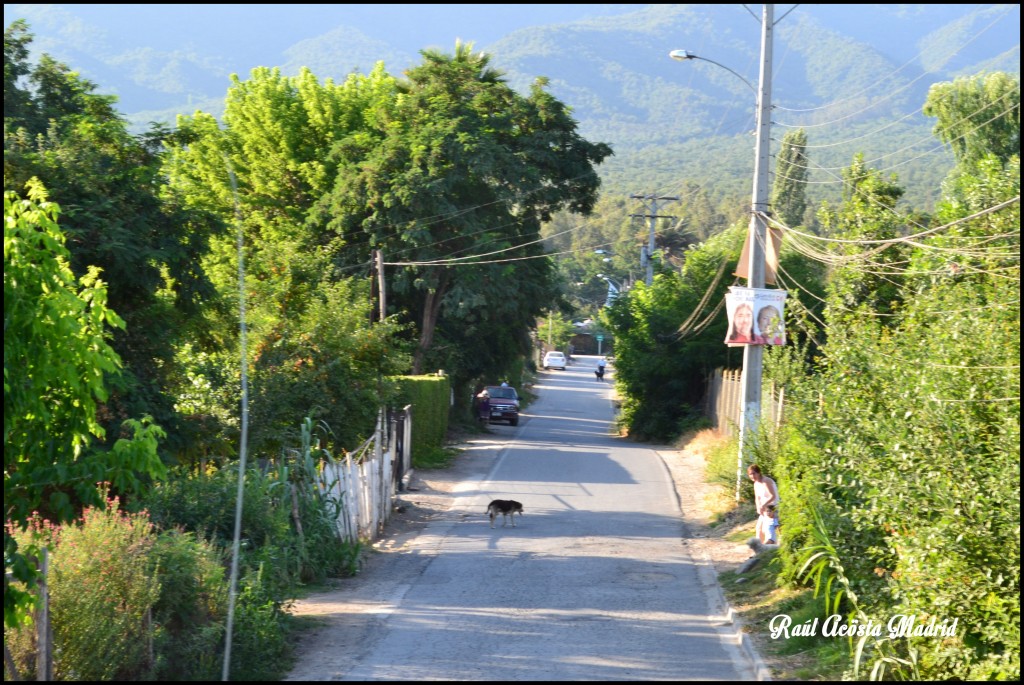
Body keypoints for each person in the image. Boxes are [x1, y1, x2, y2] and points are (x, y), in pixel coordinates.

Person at [747, 464, 780, 544]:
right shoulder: (756, 484)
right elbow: (757, 498)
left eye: (754, 473)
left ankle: (769, 549)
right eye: (750, 474)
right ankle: (760, 550)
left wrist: (763, 505)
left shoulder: (766, 481)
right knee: (759, 529)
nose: (752, 476)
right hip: (764, 510)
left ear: (759, 473)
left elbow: (773, 496)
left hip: (773, 509)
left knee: (770, 531)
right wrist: (758, 507)